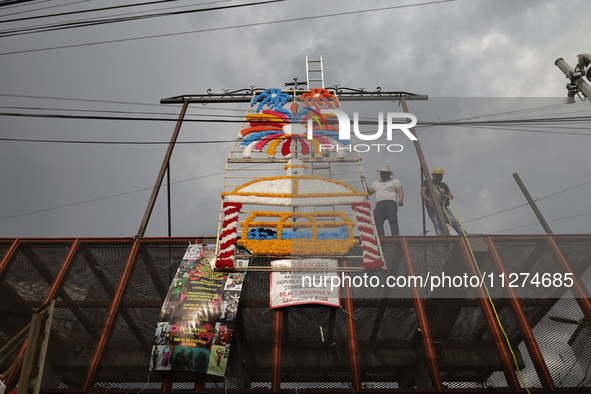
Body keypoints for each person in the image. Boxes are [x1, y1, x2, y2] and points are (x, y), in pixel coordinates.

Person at [420, 167, 465, 235]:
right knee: (438, 225)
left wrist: (450, 196)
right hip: (433, 207)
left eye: (440, 175)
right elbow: (422, 192)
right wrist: (429, 201)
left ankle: (465, 236)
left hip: (443, 207)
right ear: (433, 175)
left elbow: (449, 193)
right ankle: (442, 237)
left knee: (454, 222)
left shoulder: (444, 185)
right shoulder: (427, 182)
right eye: (437, 175)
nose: (439, 177)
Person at [368, 165, 404, 236]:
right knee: (378, 223)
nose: (383, 175)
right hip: (379, 204)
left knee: (392, 219)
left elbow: (399, 191)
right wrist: (364, 183)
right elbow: (370, 192)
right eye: (382, 173)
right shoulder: (376, 183)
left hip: (390, 202)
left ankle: (395, 234)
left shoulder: (395, 181)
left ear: (389, 174)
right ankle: (381, 237)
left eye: (385, 173)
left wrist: (400, 199)